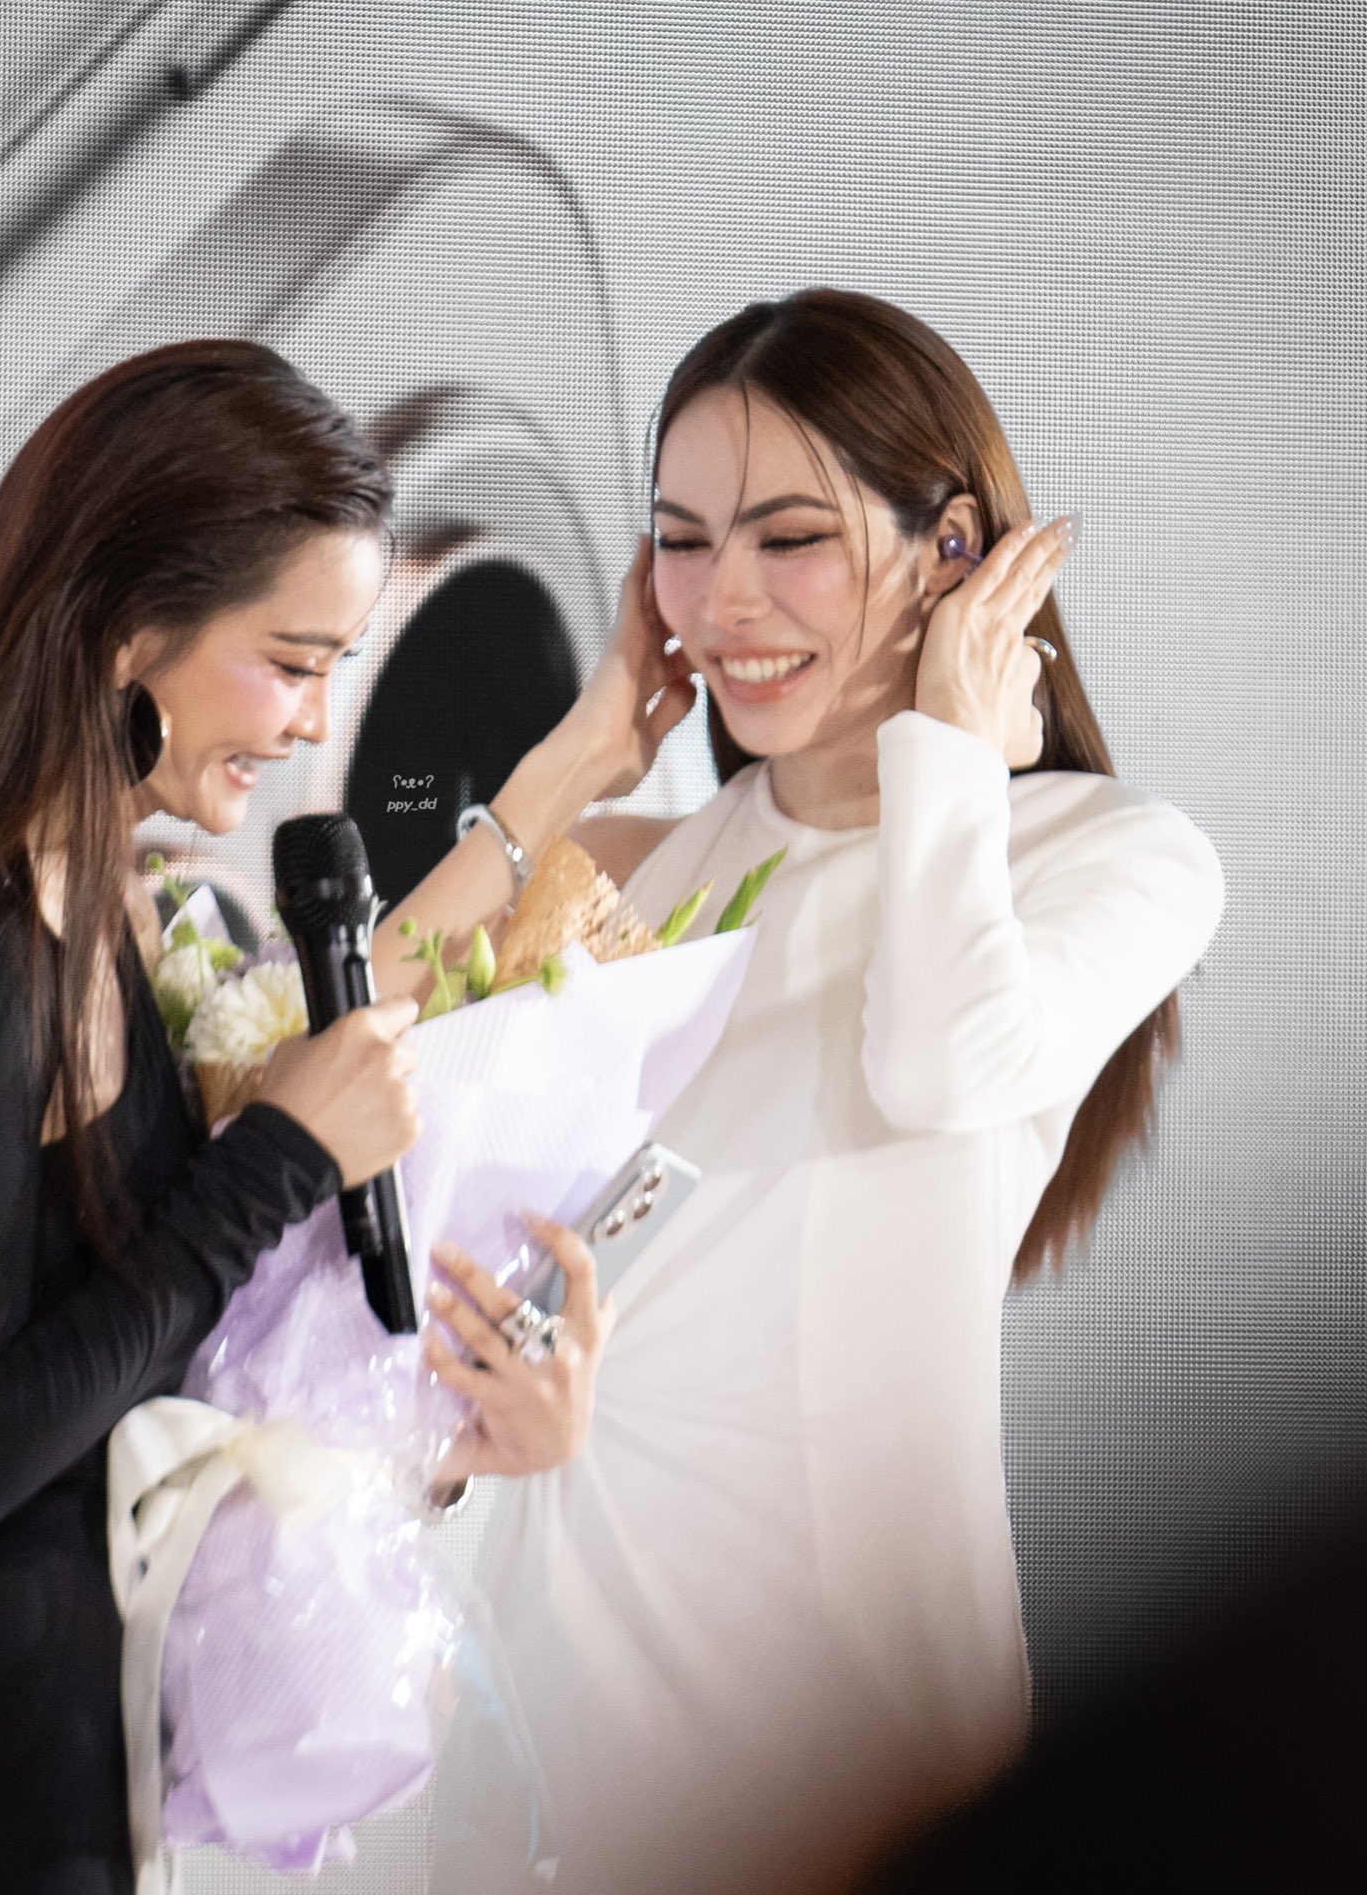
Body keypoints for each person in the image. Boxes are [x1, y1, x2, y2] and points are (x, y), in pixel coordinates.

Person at [0, 340, 605, 1894]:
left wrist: (432, 1445)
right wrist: (278, 1161)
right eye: (292, 660)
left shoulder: (119, 914)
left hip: (43, 1785)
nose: (314, 723)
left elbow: (130, 1393)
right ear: (130, 632)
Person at [409, 289, 1227, 1893]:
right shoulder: (626, 866)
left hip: (866, 1732)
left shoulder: (1113, 854)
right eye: (680, 541)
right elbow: (345, 1101)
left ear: (955, 551)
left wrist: (956, 750)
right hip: (560, 1728)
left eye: (789, 538)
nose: (723, 602)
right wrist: (576, 760)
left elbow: (939, 1060)